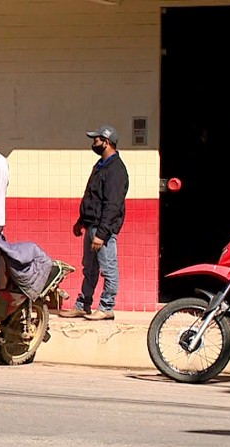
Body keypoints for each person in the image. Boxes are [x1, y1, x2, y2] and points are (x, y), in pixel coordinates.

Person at [59, 125, 130, 321]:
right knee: (89, 269)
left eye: (96, 140)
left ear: (106, 142)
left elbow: (113, 205)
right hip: (92, 226)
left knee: (108, 269)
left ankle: (107, 307)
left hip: (102, 230)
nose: (94, 143)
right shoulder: (101, 165)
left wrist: (102, 233)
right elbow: (92, 196)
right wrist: (81, 221)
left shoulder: (116, 170)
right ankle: (83, 305)